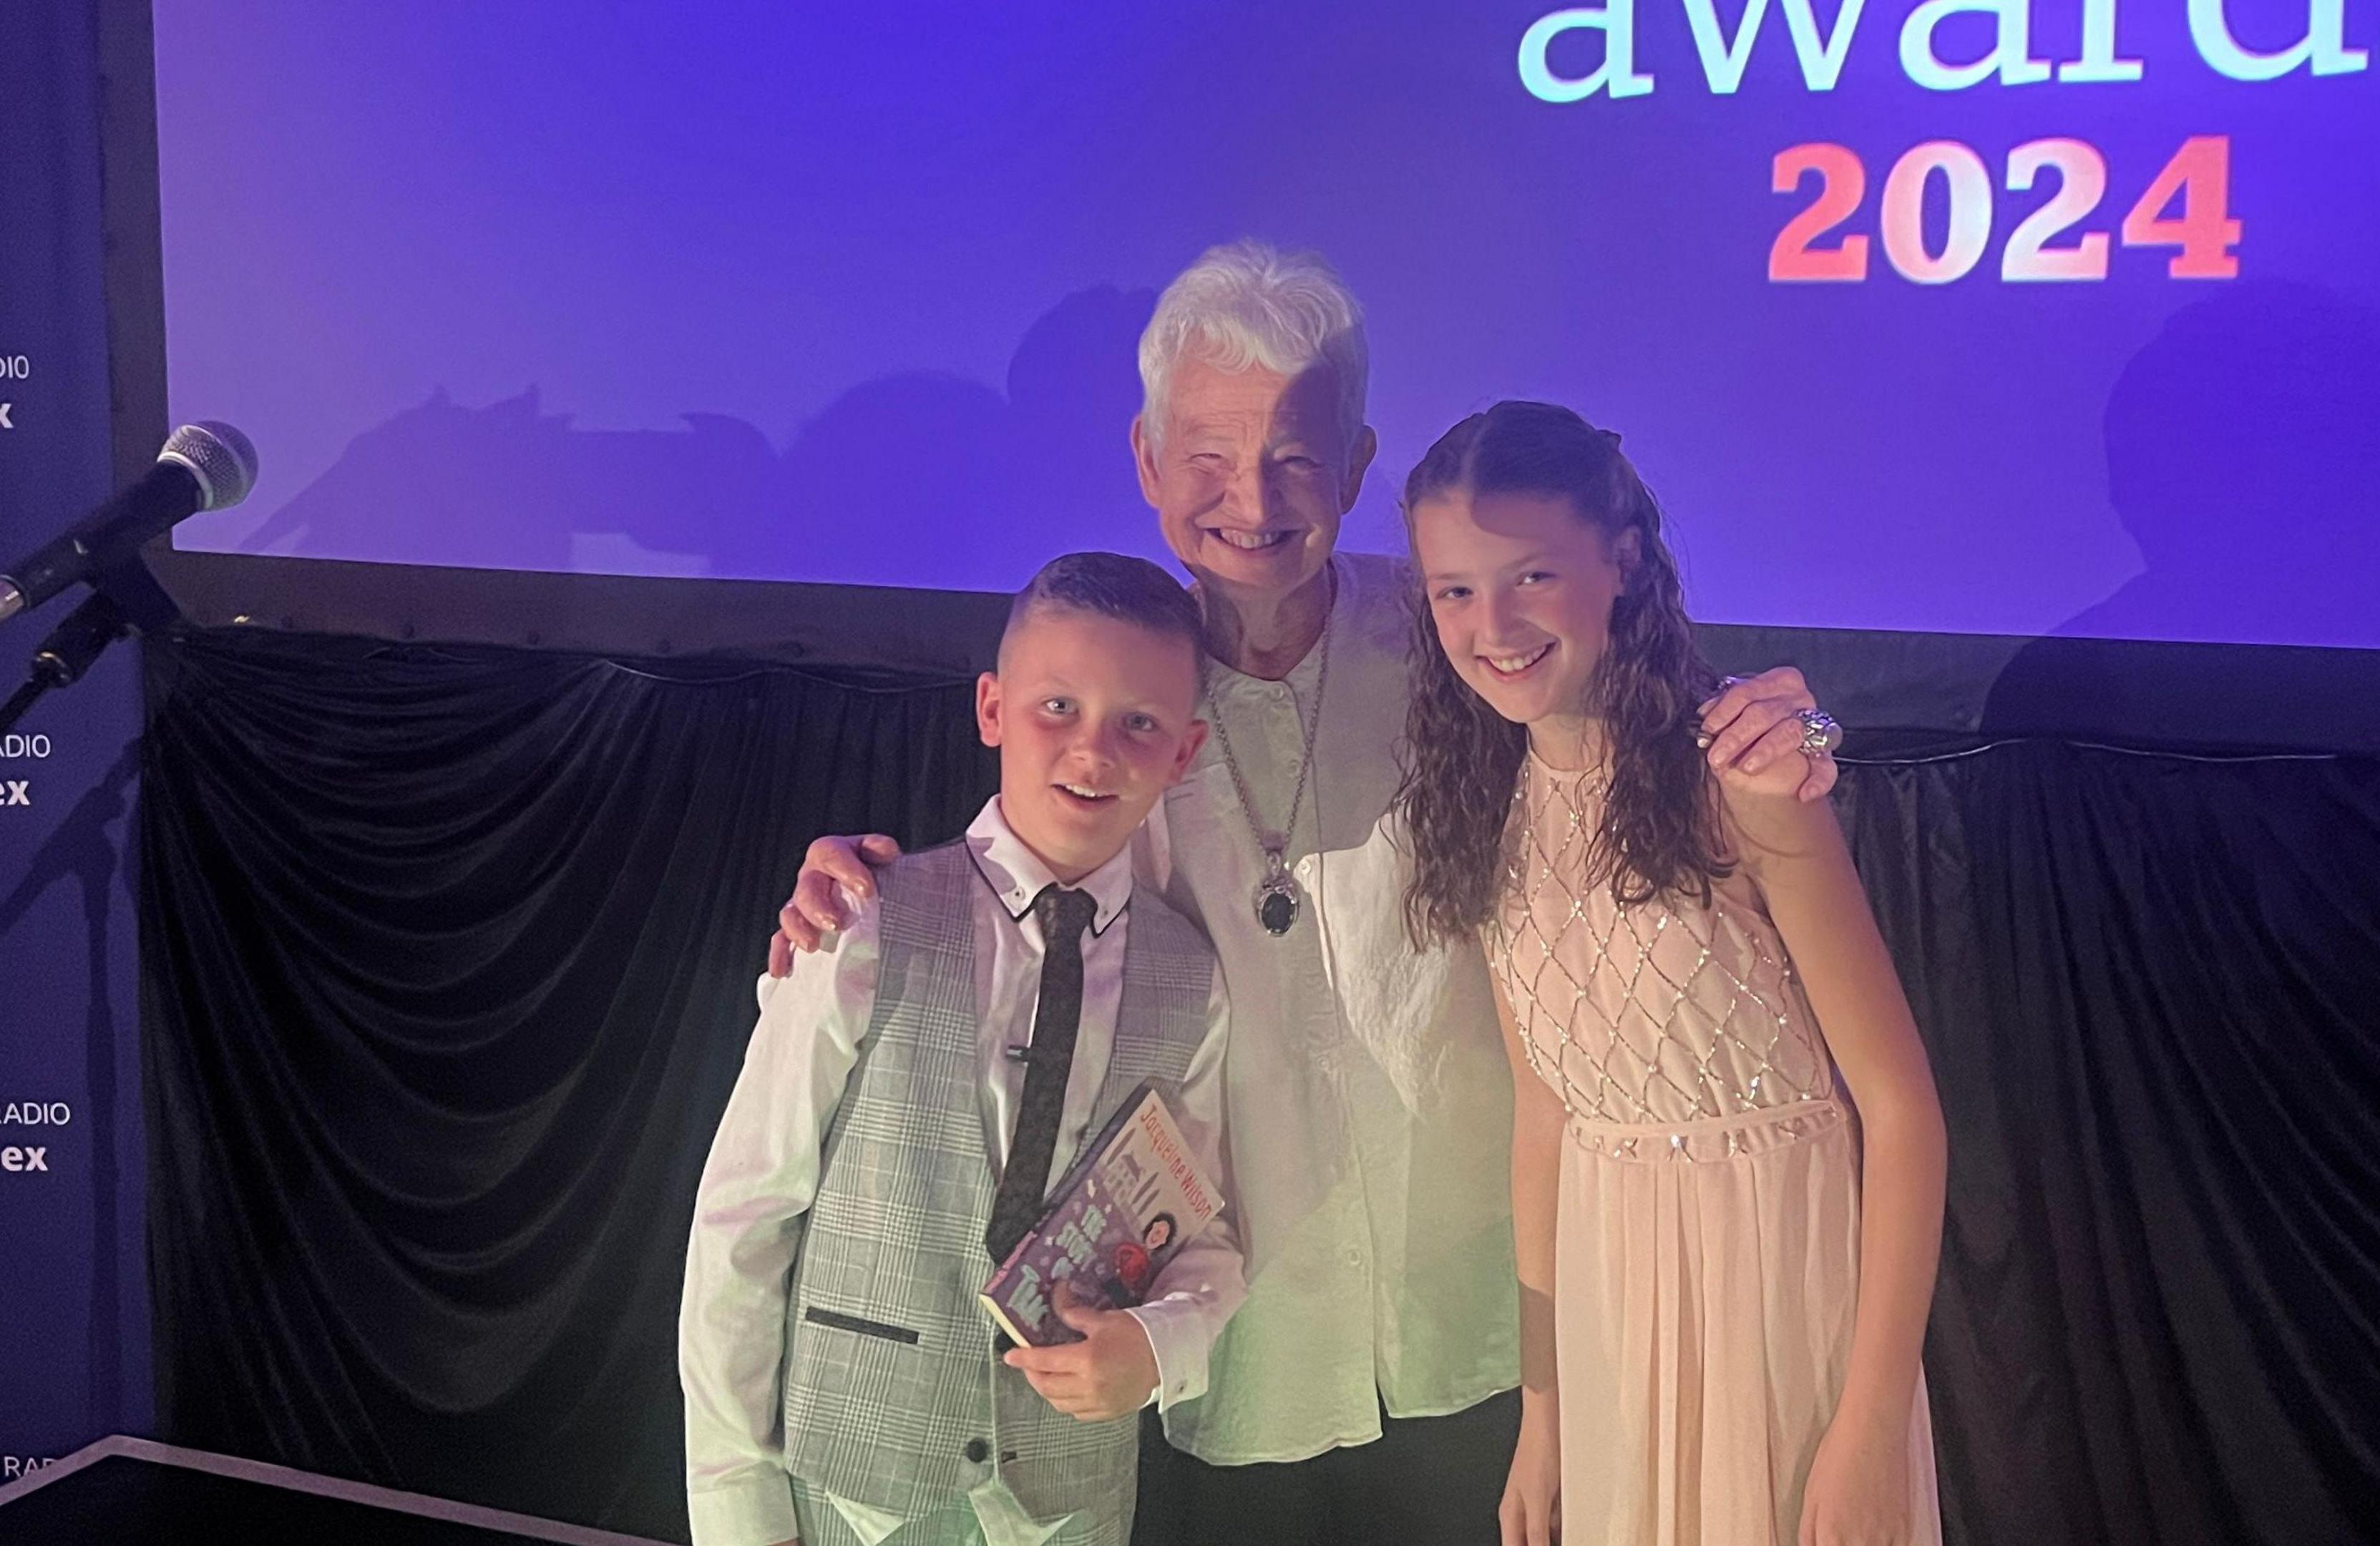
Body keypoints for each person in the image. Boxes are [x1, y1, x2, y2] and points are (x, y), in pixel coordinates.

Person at [770, 243, 1842, 1544]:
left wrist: (1806, 727)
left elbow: (1658, 714)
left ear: (1354, 467)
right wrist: (865, 883)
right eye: (1210, 455)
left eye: (1295, 456)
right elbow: (1020, 890)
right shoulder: (1121, 684)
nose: (1252, 498)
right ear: (1148, 463)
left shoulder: (1455, 630)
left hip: (1485, 1312)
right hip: (1239, 1327)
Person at [1395, 401, 1945, 1546]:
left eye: (1531, 575)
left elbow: (1902, 1113)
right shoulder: (1490, 809)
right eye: (1454, 589)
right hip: (1614, 1313)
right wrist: (1541, 1416)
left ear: (1623, 561)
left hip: (1781, 1304)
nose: (1492, 622)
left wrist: (1873, 1423)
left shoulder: (1738, 778)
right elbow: (1543, 1121)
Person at [681, 552, 1244, 1546]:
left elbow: (1201, 1224)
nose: (1095, 750)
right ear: (991, 707)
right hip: (856, 1491)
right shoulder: (862, 922)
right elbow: (746, 1212)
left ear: (1185, 750)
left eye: (1139, 723)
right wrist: (738, 1509)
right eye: (1057, 706)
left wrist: (1163, 1345)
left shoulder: (1193, 977)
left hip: (1070, 1501)